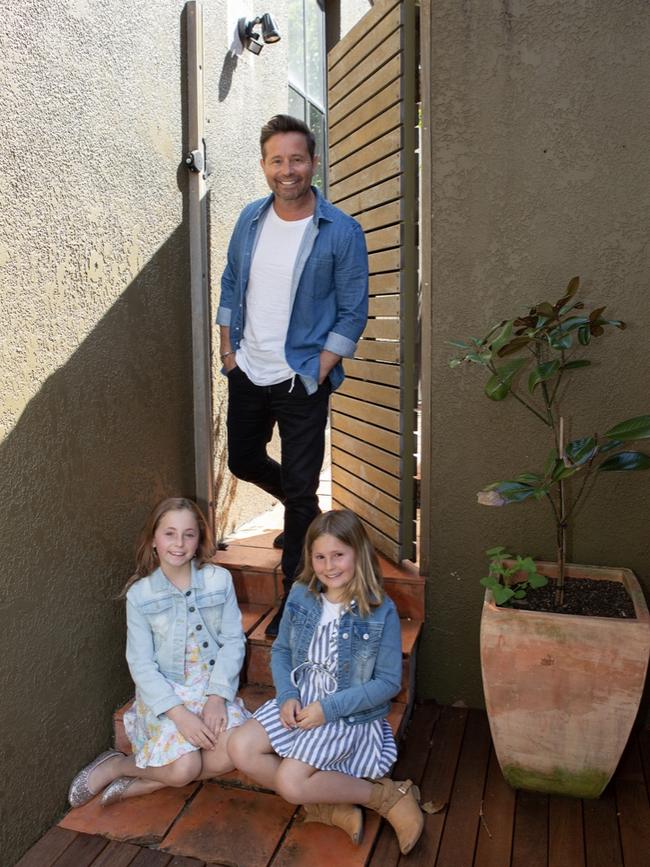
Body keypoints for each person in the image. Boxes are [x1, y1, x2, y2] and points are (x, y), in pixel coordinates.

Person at [217, 114, 369, 636]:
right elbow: (232, 280)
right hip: (248, 371)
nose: (288, 170)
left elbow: (353, 310)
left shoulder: (341, 230)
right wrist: (227, 353)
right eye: (277, 160)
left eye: (297, 159)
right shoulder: (249, 220)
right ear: (264, 166)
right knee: (243, 459)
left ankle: (294, 599)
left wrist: (321, 368)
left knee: (301, 489)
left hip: (303, 378)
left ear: (314, 163)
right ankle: (305, 511)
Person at [227, 509, 424, 855]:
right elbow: (283, 651)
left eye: (338, 555)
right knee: (239, 747)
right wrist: (286, 695)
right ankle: (327, 804)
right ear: (310, 557)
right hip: (301, 701)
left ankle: (386, 796)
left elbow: (388, 683)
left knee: (290, 781)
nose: (329, 566)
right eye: (320, 556)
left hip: (346, 712)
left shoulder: (380, 610)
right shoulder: (302, 596)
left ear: (358, 554)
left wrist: (327, 709)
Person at [68, 497, 249, 807]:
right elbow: (140, 664)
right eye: (169, 533)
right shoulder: (141, 595)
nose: (179, 543)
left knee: (235, 750)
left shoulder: (220, 581)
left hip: (211, 685)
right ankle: (117, 765)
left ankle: (145, 784)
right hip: (166, 693)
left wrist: (217, 697)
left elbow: (234, 641)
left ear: (199, 539)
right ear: (153, 538)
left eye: (189, 534)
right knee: (185, 767)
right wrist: (180, 715)